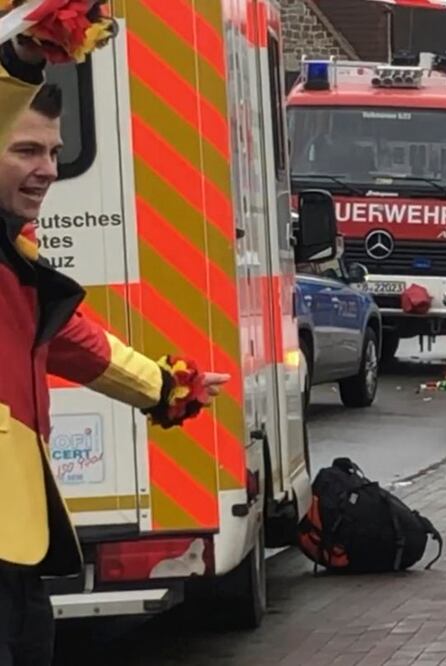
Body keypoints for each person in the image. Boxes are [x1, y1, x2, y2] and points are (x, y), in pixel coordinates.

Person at [0, 42, 228, 666]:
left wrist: (163, 387)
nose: (47, 168)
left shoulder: (14, 258)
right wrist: (22, 58)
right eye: (25, 150)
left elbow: (71, 340)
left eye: (52, 151)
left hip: (15, 543)